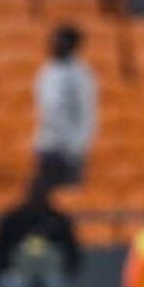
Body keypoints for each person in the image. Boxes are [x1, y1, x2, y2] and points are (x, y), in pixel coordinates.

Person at [31, 24, 96, 191]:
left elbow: (87, 111)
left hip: (69, 145)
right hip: (47, 142)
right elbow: (45, 107)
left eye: (61, 42)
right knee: (43, 190)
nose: (56, 45)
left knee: (66, 192)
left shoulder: (80, 74)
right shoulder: (47, 70)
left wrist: (78, 146)